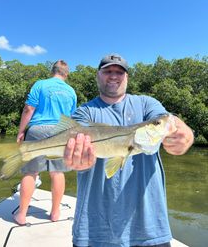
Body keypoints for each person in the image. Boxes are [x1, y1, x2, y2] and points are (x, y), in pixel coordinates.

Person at [64, 53, 194, 247]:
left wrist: (186, 134)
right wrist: (77, 161)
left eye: (119, 72)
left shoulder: (146, 103)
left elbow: (167, 119)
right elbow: (76, 153)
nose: (114, 75)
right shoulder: (85, 112)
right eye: (108, 71)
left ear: (127, 77)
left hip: (149, 229)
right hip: (94, 230)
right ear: (97, 76)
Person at [14, 60, 77, 226]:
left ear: (52, 71)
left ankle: (21, 215)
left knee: (31, 171)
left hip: (37, 130)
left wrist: (21, 131)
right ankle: (55, 213)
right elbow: (71, 118)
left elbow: (29, 109)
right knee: (57, 172)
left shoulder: (40, 85)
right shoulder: (71, 91)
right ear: (66, 73)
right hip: (62, 133)